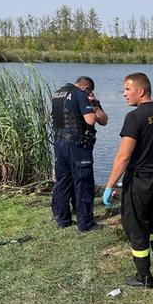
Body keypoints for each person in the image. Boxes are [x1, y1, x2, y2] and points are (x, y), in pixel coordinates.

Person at [104, 72, 153, 288]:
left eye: (127, 89)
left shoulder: (134, 118)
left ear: (140, 91)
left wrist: (109, 186)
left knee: (136, 227)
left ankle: (144, 276)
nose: (124, 94)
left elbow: (124, 156)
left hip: (139, 181)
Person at [51, 76, 108, 232]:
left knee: (63, 181)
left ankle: (62, 219)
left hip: (59, 142)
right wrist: (92, 106)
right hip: (77, 144)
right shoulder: (80, 94)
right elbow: (91, 120)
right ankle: (86, 223)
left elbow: (104, 120)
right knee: (83, 182)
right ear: (86, 89)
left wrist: (94, 105)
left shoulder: (58, 93)